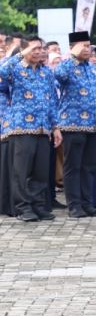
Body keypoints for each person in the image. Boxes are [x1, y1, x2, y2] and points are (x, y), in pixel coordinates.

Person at [0, 36, 62, 222]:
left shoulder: (46, 72)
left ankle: (39, 205)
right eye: (34, 49)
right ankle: (23, 207)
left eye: (41, 48)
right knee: (22, 171)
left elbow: (52, 101)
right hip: (22, 128)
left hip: (43, 128)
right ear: (24, 51)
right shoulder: (15, 69)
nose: (40, 51)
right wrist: (18, 56)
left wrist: (55, 127)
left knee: (41, 171)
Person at [53, 31, 96, 217]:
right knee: (73, 166)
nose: (87, 49)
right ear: (72, 48)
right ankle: (74, 205)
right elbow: (58, 75)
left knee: (89, 166)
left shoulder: (91, 68)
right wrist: (72, 56)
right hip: (72, 125)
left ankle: (87, 203)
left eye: (88, 45)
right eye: (82, 46)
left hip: (92, 125)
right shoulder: (67, 67)